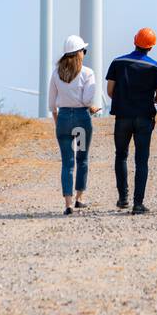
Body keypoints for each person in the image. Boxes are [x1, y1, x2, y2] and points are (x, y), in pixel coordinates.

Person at [106, 27, 157, 214]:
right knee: (141, 161)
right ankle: (138, 204)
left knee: (121, 155)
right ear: (151, 47)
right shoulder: (155, 67)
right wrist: (151, 99)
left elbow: (109, 91)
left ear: (134, 41)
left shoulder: (117, 62)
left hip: (122, 116)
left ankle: (123, 198)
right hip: (144, 118)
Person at [48, 35, 100, 216]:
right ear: (79, 53)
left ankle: (68, 204)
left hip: (63, 120)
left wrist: (57, 123)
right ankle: (79, 198)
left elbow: (51, 104)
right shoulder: (87, 73)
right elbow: (87, 100)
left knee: (67, 162)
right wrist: (91, 107)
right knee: (82, 158)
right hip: (81, 121)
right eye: (83, 51)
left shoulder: (56, 73)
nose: (84, 53)